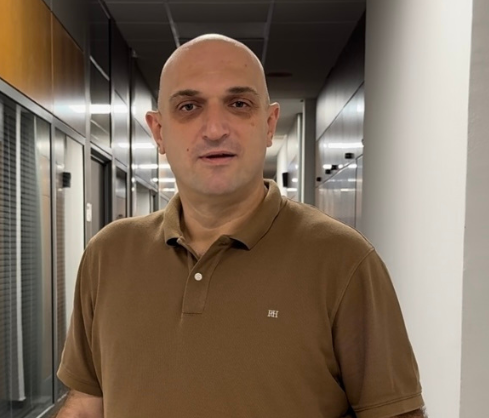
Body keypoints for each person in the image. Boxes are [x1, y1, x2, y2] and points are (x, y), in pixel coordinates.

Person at [55, 34, 425, 418]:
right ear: (159, 131)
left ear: (269, 124)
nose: (215, 128)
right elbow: (86, 404)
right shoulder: (108, 254)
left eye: (238, 104)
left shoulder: (343, 260)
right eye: (188, 106)